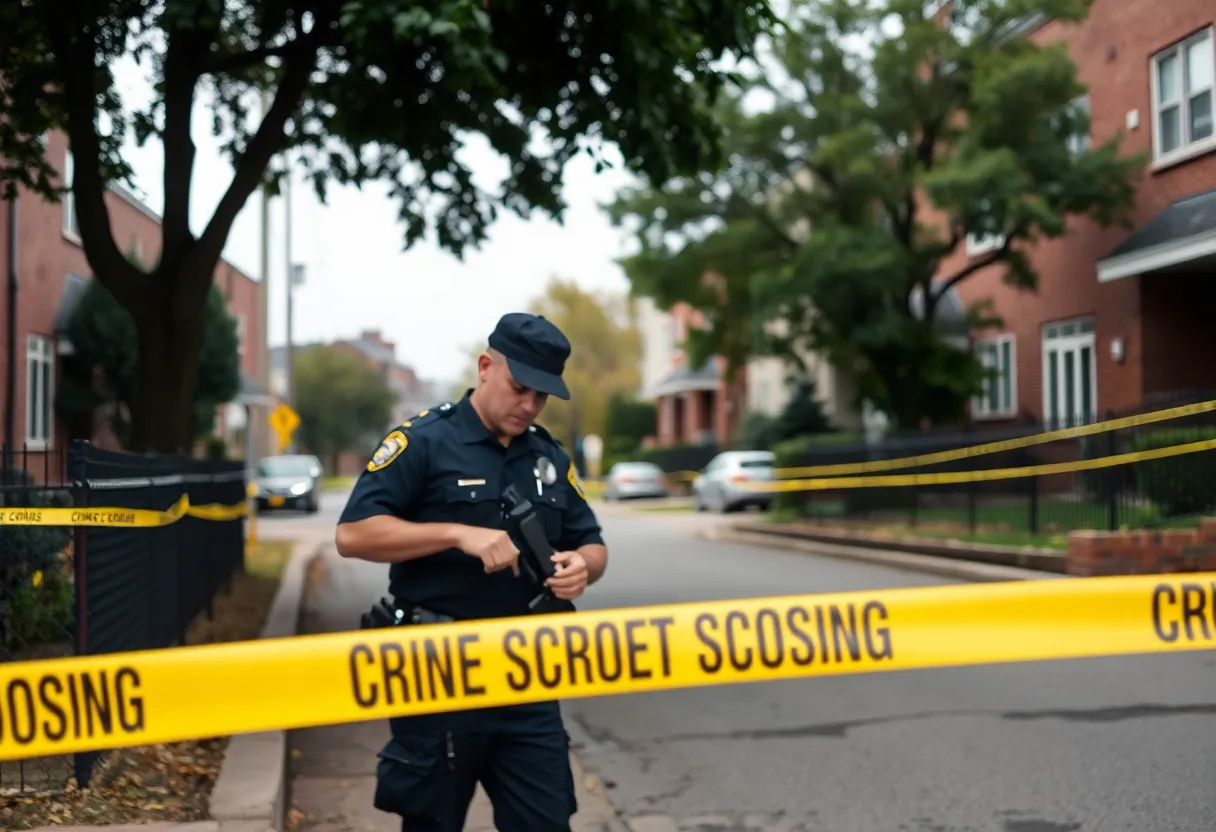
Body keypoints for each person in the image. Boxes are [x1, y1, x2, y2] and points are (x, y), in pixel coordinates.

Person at [334, 311, 609, 832]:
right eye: (519, 388)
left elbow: (590, 541)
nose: (529, 405)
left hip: (527, 672)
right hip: (439, 671)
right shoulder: (423, 441)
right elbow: (353, 535)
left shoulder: (547, 455)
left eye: (542, 396)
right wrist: (454, 533)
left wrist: (583, 567)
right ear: (486, 367)